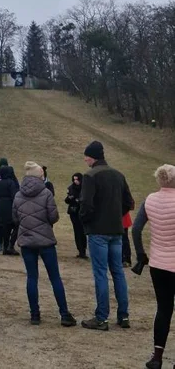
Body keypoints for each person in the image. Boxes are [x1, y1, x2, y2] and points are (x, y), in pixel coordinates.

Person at [13, 161, 76, 327]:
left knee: (32, 277)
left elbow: (15, 217)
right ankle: (64, 313)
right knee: (54, 276)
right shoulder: (46, 193)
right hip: (45, 240)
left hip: (26, 239)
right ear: (40, 177)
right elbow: (53, 216)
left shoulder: (18, 195)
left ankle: (34, 314)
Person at [80, 140, 133, 331]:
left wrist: (86, 221)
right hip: (116, 231)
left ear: (92, 157)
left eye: (86, 155)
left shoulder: (90, 176)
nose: (84, 159)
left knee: (100, 273)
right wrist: (115, 215)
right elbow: (129, 202)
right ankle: (123, 315)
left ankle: (101, 318)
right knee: (118, 272)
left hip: (98, 232)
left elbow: (86, 204)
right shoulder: (118, 175)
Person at [132, 164, 175, 369]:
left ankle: (157, 357)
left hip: (158, 264)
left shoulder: (150, 200)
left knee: (163, 309)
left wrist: (141, 254)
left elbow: (136, 229)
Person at [0, 158, 19, 252]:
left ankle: (6, 243)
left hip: (9, 204)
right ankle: (0, 241)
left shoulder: (11, 178)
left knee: (9, 223)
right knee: (0, 222)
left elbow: (17, 187)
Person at [0, 166, 19, 255]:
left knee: (5, 227)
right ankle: (11, 245)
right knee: (17, 225)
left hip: (1, 206)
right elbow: (14, 196)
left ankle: (5, 247)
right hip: (10, 206)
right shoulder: (11, 183)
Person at [65, 173, 88, 259]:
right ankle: (80, 250)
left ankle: (84, 250)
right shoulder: (71, 188)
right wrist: (70, 198)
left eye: (77, 179)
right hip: (73, 212)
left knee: (83, 231)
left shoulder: (85, 188)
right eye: (74, 179)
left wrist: (79, 200)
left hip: (82, 212)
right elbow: (66, 200)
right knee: (77, 231)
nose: (75, 181)